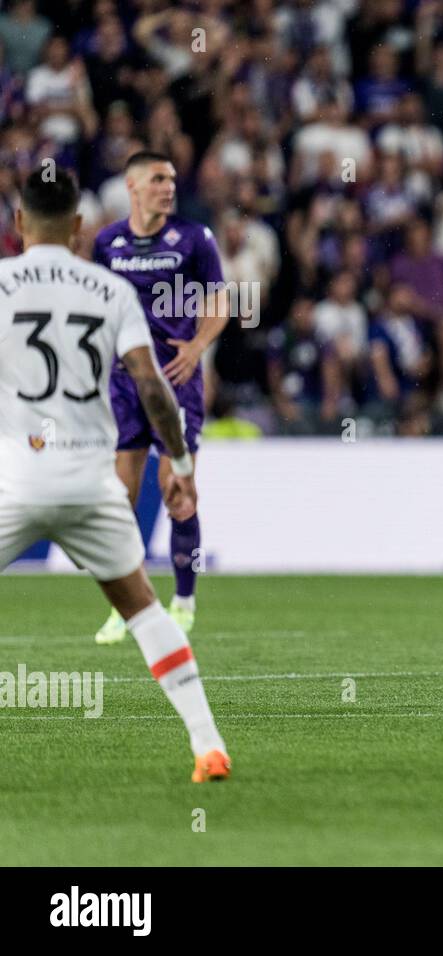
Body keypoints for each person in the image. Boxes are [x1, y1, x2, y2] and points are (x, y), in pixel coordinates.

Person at [0, 167, 230, 780]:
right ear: (78, 227)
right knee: (144, 609)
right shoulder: (108, 292)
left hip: (17, 480)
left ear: (18, 222)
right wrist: (180, 464)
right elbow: (153, 387)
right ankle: (208, 745)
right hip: (92, 484)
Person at [90, 151, 227, 644]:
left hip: (176, 378)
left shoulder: (194, 239)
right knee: (119, 497)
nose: (168, 187)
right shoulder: (107, 242)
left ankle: (185, 600)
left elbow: (219, 301)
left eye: (171, 179)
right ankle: (125, 608)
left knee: (178, 491)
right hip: (124, 382)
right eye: (157, 179)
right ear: (132, 186)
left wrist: (197, 346)